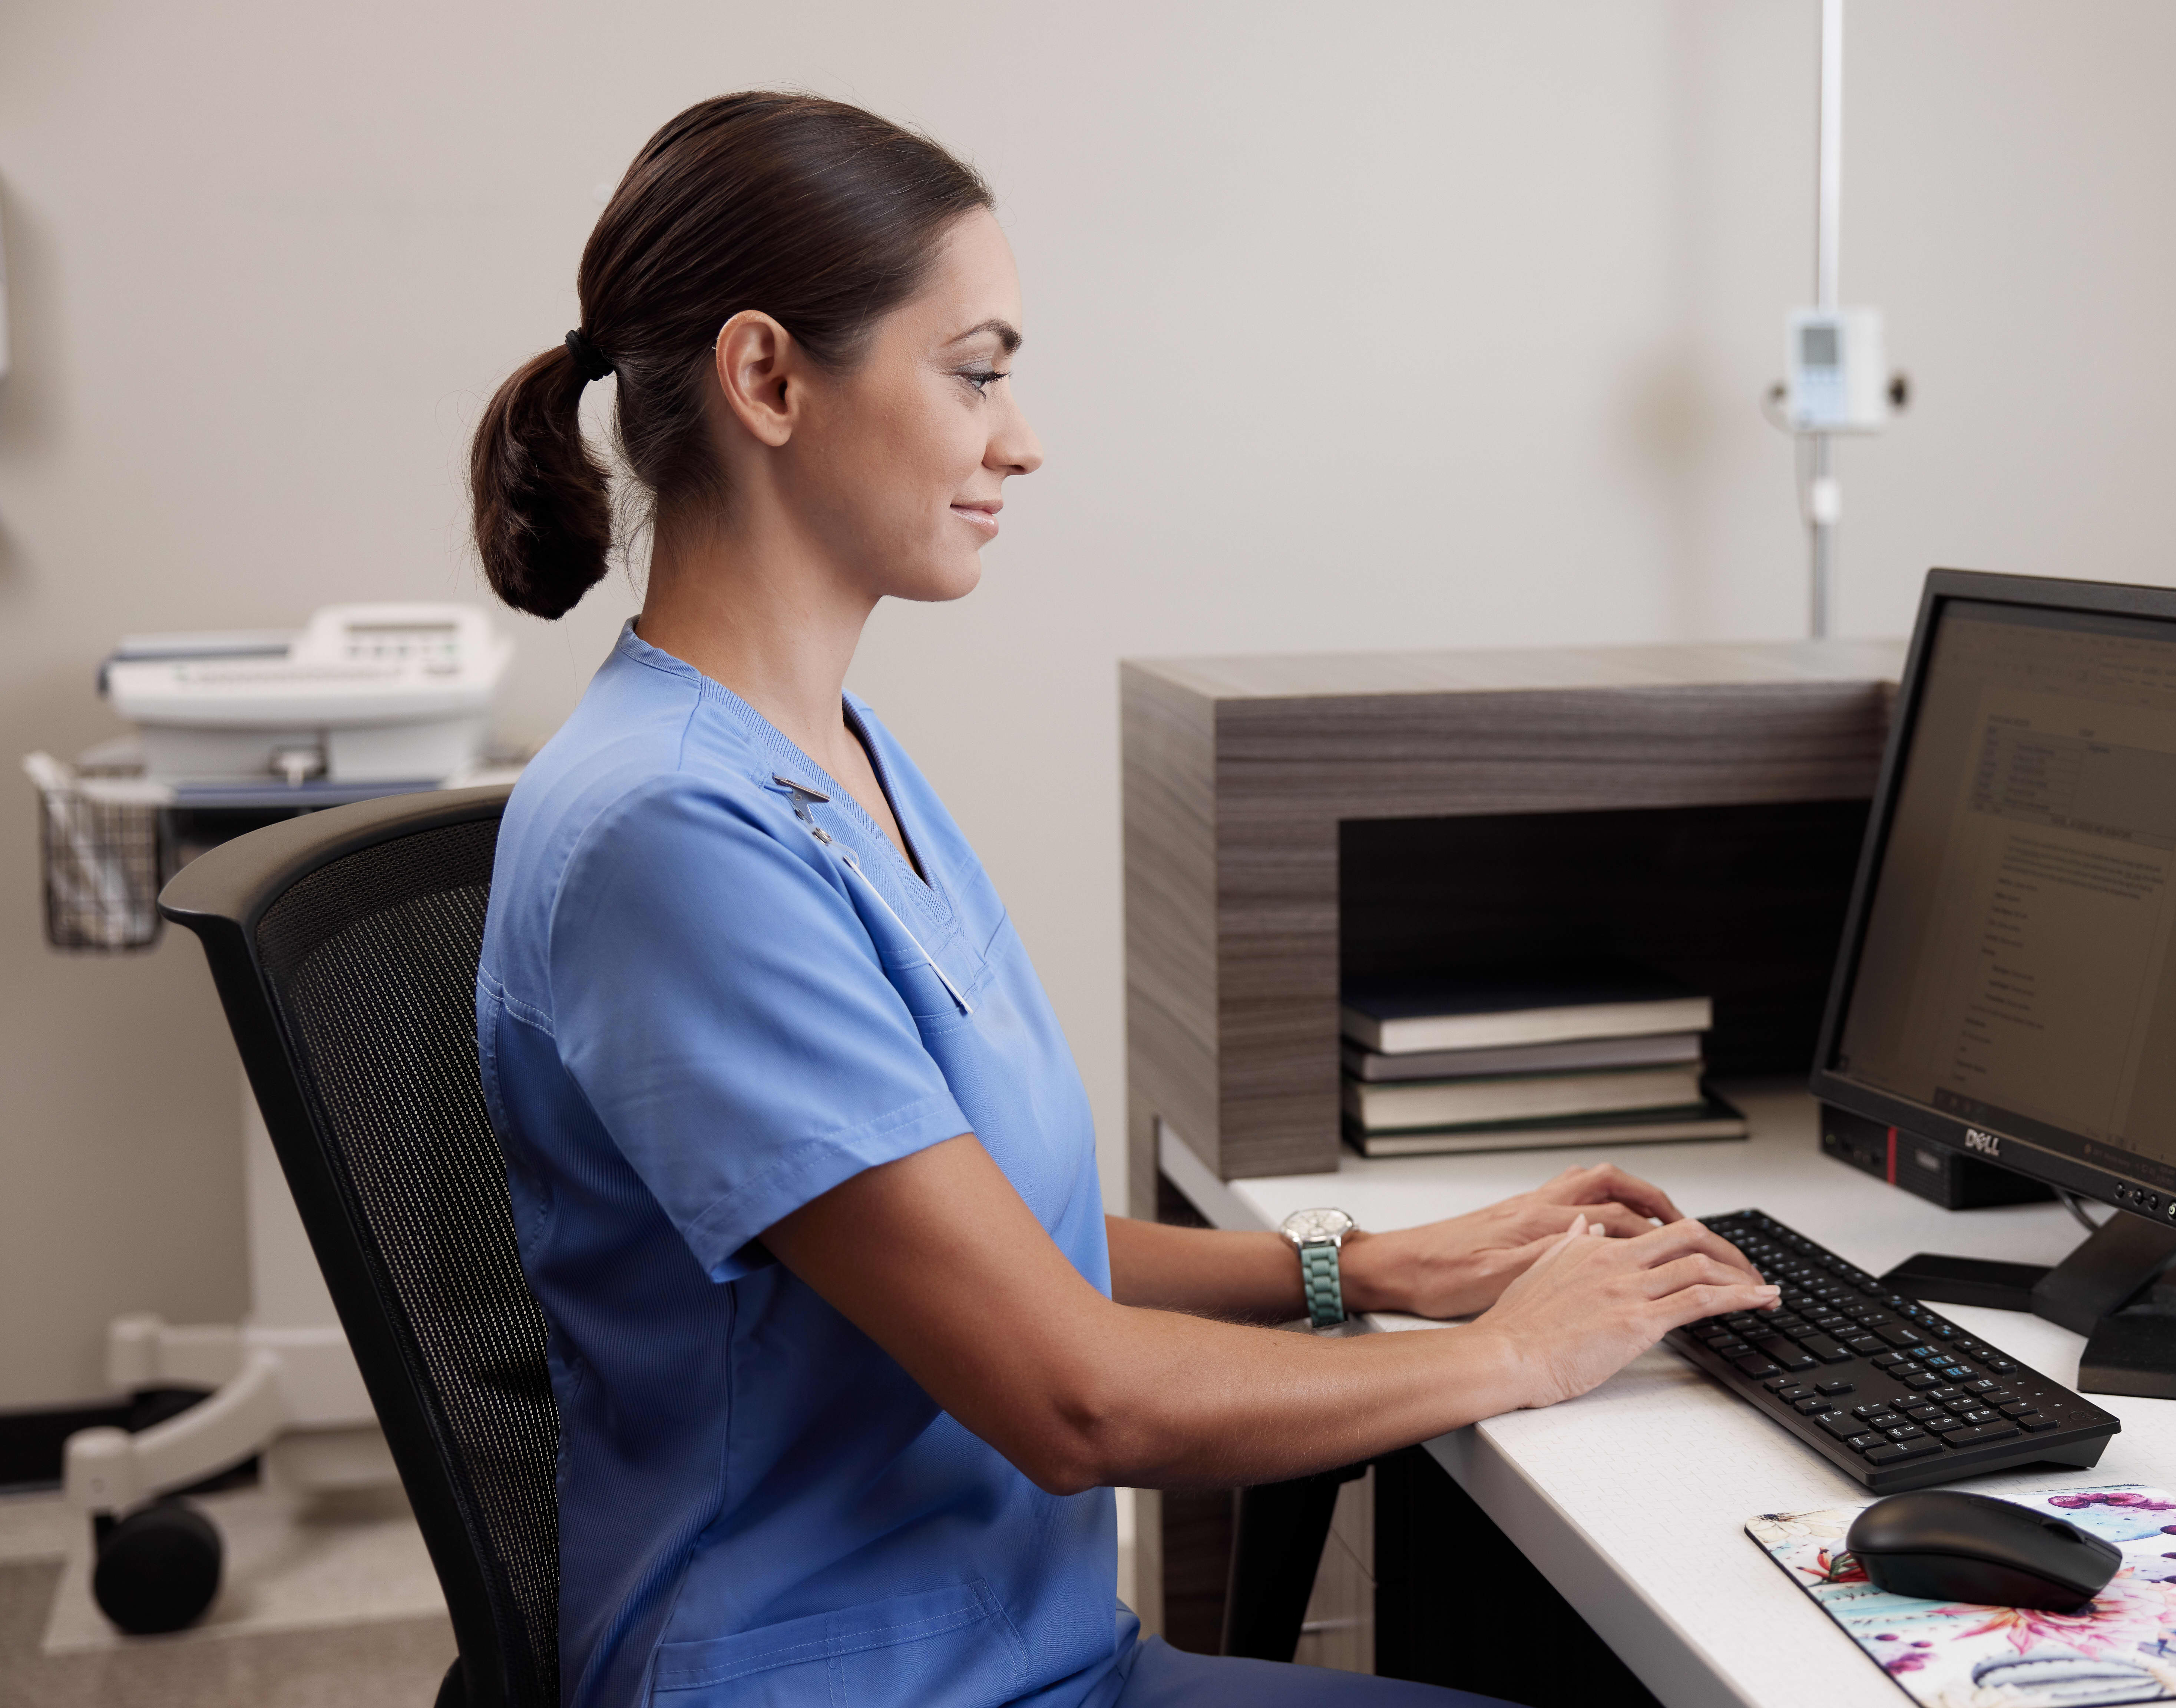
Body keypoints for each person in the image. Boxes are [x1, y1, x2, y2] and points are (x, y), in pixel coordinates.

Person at [466, 92, 1774, 1708]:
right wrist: (1517, 1351)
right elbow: (1072, 1402)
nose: (1019, 437)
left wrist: (1362, 1270)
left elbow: (983, 1245)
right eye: (977, 369)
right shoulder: (674, 835)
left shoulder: (831, 758)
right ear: (767, 377)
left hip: (1018, 1653)